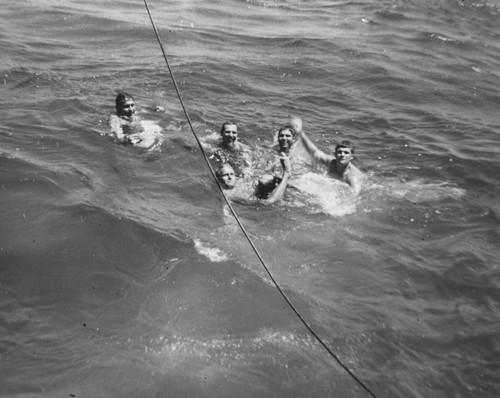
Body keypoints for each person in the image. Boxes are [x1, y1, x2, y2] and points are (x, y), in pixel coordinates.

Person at [294, 117, 363, 193]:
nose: (342, 155)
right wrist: (300, 133)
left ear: (352, 157)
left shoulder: (353, 177)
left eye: (346, 153)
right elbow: (314, 152)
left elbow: (355, 197)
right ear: (335, 154)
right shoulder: (331, 162)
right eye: (340, 152)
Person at [215, 153, 291, 205]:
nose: (230, 177)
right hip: (260, 198)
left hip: (260, 190)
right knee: (268, 197)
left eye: (231, 174)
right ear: (219, 178)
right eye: (225, 175)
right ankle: (287, 174)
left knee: (264, 179)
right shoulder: (228, 194)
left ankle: (289, 183)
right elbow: (269, 202)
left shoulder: (238, 180)